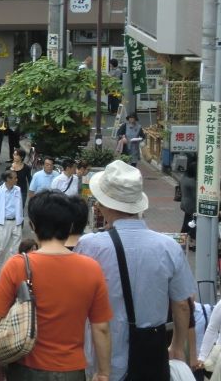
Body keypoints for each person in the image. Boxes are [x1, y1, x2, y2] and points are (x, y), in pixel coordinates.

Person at [76, 160, 196, 381]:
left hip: (104, 359)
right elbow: (182, 304)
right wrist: (177, 346)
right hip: (151, 355)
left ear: (104, 204)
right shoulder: (169, 247)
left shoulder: (90, 245)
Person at [0, 190, 112, 381]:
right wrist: (104, 372)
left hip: (25, 369)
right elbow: (101, 328)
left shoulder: (17, 265)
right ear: (70, 225)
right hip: (72, 370)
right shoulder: (92, 268)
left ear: (32, 225)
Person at [0, 170, 23, 275]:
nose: (17, 179)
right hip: (5, 222)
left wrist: (20, 219)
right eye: (14, 178)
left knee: (16, 247)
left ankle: (13, 267)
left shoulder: (18, 189)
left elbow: (19, 205)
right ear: (8, 179)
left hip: (16, 221)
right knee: (2, 247)